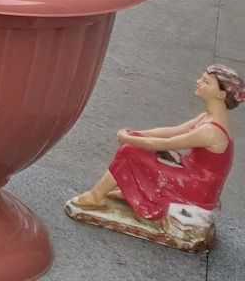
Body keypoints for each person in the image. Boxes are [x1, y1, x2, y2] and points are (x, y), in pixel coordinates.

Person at [73, 65, 242, 223]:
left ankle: (96, 196)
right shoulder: (207, 118)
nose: (198, 82)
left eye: (206, 82)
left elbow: (166, 143)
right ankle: (130, 190)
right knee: (137, 149)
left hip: (195, 188)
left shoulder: (211, 131)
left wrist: (130, 140)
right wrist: (137, 134)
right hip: (191, 175)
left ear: (221, 94)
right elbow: (173, 131)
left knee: (129, 151)